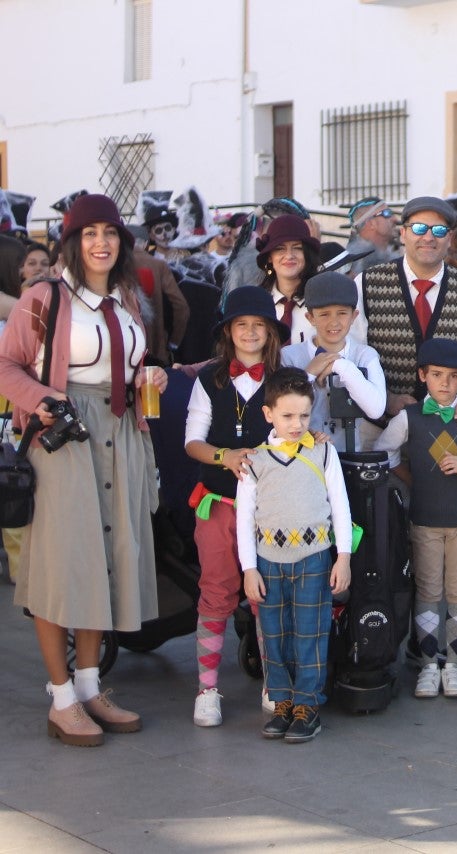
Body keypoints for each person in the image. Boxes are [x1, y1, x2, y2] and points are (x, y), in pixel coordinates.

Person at [0, 193, 164, 746]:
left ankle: (91, 686)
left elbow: (132, 362)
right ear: (72, 241)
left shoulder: (127, 298)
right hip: (64, 433)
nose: (101, 242)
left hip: (122, 431)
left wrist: (154, 378)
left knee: (105, 559)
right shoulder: (44, 296)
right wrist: (44, 400)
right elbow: (6, 363)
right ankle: (61, 697)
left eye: (110, 233)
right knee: (61, 561)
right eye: (90, 233)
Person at [185, 286, 288, 727]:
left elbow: (300, 430)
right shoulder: (209, 379)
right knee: (217, 590)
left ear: (270, 333)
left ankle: (273, 684)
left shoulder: (285, 379)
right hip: (219, 504)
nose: (250, 332)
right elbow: (192, 441)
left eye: (259, 325)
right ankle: (207, 689)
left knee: (268, 595)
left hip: (272, 509)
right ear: (229, 331)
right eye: (241, 324)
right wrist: (222, 456)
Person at [376, 339, 457, 698]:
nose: (444, 383)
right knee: (429, 591)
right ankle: (429, 665)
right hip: (425, 520)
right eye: (436, 375)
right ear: (422, 376)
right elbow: (383, 451)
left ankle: (454, 664)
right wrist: (409, 477)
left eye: (452, 376)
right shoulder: (409, 418)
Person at [238, 368, 352, 742]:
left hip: (314, 557)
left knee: (311, 633)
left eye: (304, 415)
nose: (297, 424)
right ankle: (283, 702)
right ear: (268, 414)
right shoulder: (254, 460)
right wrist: (249, 568)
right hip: (268, 561)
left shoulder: (323, 452)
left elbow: (340, 506)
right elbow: (244, 518)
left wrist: (344, 556)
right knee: (274, 636)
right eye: (287, 416)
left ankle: (307, 705)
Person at [352, 196, 457, 428]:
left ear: (450, 238)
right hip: (379, 427)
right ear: (403, 234)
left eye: (439, 230)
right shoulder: (366, 284)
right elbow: (353, 352)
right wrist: (386, 398)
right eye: (419, 228)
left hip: (452, 428)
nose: (428, 237)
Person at [281, 272, 386, 451]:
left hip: (350, 456)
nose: (334, 322)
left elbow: (375, 409)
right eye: (324, 314)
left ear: (354, 316)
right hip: (303, 457)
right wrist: (308, 374)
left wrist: (341, 365)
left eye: (342, 313)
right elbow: (283, 407)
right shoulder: (289, 356)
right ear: (310, 318)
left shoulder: (365, 355)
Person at [256, 213, 322, 347]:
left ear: (307, 254)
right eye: (280, 249)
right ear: (270, 257)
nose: (289, 255)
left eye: (297, 248)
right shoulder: (256, 303)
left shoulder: (323, 301)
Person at [345, 197, 400, 278]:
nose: (395, 219)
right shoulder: (352, 263)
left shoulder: (394, 257)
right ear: (371, 223)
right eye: (387, 213)